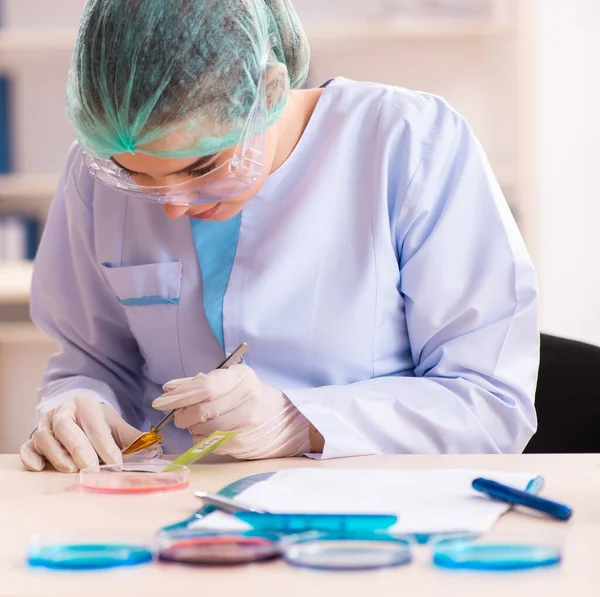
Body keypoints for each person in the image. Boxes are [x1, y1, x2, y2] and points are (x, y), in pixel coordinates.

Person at [20, 0, 539, 474]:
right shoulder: (93, 174)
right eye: (136, 178)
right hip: (163, 514)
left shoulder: (410, 142)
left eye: (203, 166)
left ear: (268, 91)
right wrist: (75, 404)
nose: (173, 205)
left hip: (363, 521)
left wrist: (301, 421)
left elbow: (491, 402)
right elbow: (88, 359)